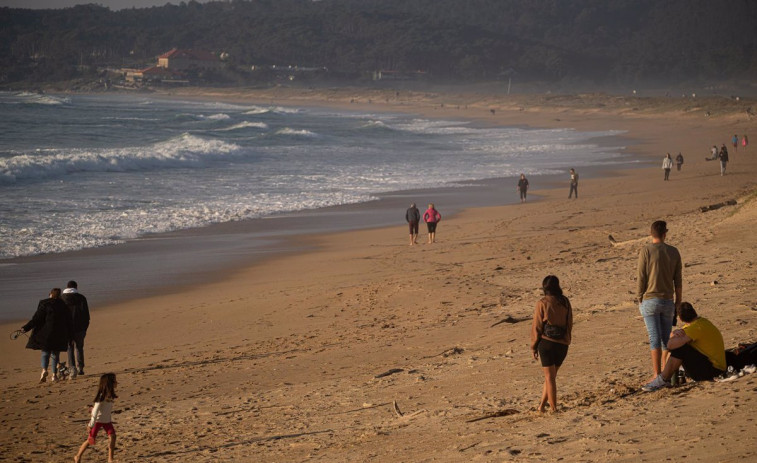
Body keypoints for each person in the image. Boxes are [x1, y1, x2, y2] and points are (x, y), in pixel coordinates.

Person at [642, 302, 726, 391]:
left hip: (713, 371)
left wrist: (672, 336)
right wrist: (673, 334)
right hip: (715, 367)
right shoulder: (702, 322)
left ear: (680, 319)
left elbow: (670, 345)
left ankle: (663, 379)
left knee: (680, 348)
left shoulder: (695, 328)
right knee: (680, 345)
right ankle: (667, 377)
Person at [637, 220, 682, 382]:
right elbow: (678, 281)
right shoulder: (674, 252)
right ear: (665, 234)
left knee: (654, 338)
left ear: (651, 234)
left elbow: (641, 277)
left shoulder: (646, 250)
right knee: (666, 340)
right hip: (668, 300)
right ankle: (666, 373)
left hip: (650, 300)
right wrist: (678, 302)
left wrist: (639, 297)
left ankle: (657, 374)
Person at [531, 275, 573, 413]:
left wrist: (533, 346)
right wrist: (567, 340)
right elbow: (569, 323)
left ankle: (553, 408)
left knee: (550, 377)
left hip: (547, 344)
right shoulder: (565, 301)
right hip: (562, 344)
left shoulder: (542, 303)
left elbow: (537, 327)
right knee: (551, 377)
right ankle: (542, 406)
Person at [20, 288, 72, 383]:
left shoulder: (45, 304)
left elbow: (36, 319)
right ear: (60, 295)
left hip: (46, 333)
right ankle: (54, 375)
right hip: (59, 333)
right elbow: (68, 320)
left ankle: (44, 370)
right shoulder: (63, 305)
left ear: (50, 294)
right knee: (55, 354)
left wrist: (25, 328)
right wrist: (70, 333)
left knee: (45, 353)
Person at [75, 373, 118, 463]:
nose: (116, 382)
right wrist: (91, 424)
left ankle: (110, 459)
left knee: (113, 437)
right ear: (109, 383)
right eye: (114, 381)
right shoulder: (101, 396)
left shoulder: (110, 396)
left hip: (107, 421)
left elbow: (102, 409)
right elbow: (95, 411)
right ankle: (78, 456)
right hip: (97, 421)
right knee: (90, 439)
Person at [62, 280, 90, 378]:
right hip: (80, 327)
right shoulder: (81, 298)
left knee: (70, 348)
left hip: (67, 328)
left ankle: (72, 368)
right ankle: (80, 367)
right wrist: (85, 327)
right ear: (76, 287)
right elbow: (86, 314)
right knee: (79, 347)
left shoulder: (62, 299)